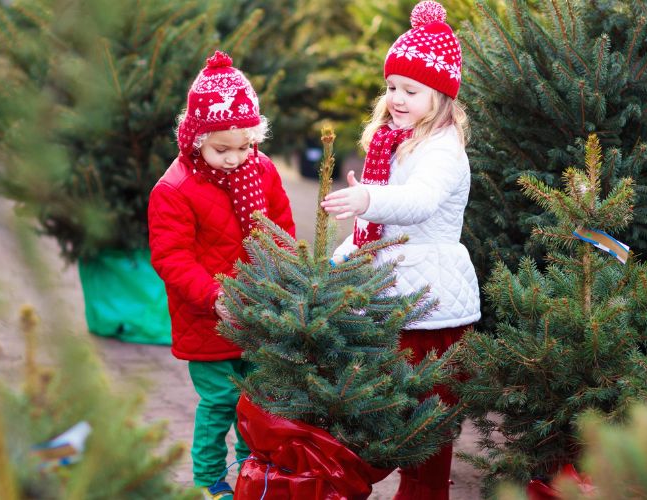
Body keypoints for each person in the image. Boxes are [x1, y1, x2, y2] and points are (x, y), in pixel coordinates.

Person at [320, 2, 479, 498]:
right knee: (381, 406)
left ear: (442, 95)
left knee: (425, 417)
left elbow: (417, 203)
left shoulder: (443, 149)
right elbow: (377, 223)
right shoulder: (393, 141)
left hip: (430, 300)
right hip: (392, 290)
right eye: (391, 88)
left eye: (411, 90)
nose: (396, 98)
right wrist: (341, 259)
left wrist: (369, 196)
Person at [148, 50, 295, 500]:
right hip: (208, 318)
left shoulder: (262, 170)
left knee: (257, 403)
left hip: (258, 315)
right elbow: (171, 257)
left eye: (245, 146)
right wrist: (214, 297)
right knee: (219, 403)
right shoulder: (174, 190)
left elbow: (282, 227)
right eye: (222, 149)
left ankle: (253, 473)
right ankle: (209, 480)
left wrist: (286, 273)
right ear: (194, 140)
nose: (236, 159)